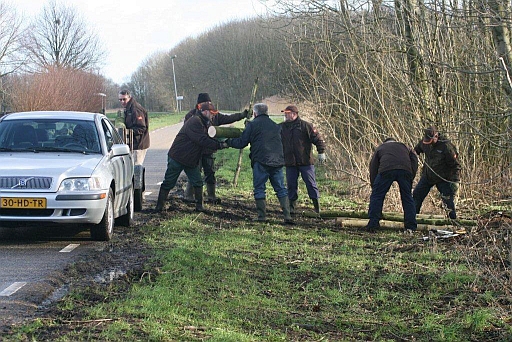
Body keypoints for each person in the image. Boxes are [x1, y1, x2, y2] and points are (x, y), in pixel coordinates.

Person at [155, 102, 229, 212]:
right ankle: (159, 207)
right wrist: (220, 145)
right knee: (169, 182)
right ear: (204, 112)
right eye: (212, 113)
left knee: (198, 182)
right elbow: (202, 140)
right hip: (178, 157)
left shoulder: (204, 122)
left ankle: (200, 207)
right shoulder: (195, 121)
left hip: (190, 159)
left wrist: (222, 142)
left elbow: (208, 138)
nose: (213, 115)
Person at [226, 103, 293, 224]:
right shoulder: (275, 126)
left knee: (259, 188)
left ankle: (262, 216)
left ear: (255, 113)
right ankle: (287, 216)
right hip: (277, 161)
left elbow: (242, 142)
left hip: (261, 161)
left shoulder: (252, 125)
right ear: (266, 112)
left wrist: (228, 142)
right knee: (281, 189)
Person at [183, 93, 250, 203]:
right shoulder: (191, 116)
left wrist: (241, 115)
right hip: (195, 150)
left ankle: (211, 196)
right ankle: (189, 195)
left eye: (209, 103)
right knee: (195, 172)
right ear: (199, 105)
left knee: (210, 172)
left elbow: (228, 118)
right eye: (205, 103)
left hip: (208, 150)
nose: (208, 104)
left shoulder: (214, 114)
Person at [365, 137, 418, 233]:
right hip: (405, 170)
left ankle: (373, 224)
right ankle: (411, 226)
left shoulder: (381, 148)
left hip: (386, 169)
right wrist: (411, 176)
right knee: (407, 197)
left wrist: (374, 186)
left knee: (377, 196)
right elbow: (414, 158)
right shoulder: (405, 146)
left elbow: (373, 167)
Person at [280, 105, 326, 214]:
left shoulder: (306, 126)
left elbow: (318, 139)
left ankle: (317, 207)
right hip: (290, 162)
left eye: (287, 113)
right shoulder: (281, 127)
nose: (285, 115)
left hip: (305, 161)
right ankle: (291, 207)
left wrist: (321, 152)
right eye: (285, 113)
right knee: (291, 185)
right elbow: (270, 133)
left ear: (294, 114)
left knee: (311, 184)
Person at [413, 126, 461, 219]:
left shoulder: (446, 146)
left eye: (430, 141)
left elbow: (455, 165)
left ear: (436, 136)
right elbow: (416, 150)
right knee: (417, 194)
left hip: (443, 178)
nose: (429, 144)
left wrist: (455, 181)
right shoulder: (424, 143)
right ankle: (413, 218)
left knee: (448, 200)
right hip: (428, 175)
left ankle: (453, 221)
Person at [118, 90, 150, 165]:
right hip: (132, 144)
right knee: (131, 169)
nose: (122, 101)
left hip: (139, 144)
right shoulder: (128, 108)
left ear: (129, 98)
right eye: (120, 99)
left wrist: (126, 132)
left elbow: (141, 128)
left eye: (124, 99)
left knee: (136, 168)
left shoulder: (135, 109)